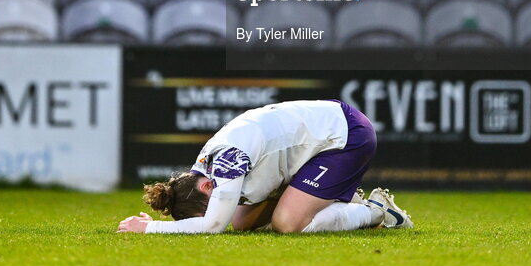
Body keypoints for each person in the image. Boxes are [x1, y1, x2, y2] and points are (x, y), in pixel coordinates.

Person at [116, 99, 413, 234]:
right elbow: (221, 219)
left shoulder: (227, 161)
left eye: (215, 202)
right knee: (243, 223)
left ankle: (377, 211)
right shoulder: (205, 168)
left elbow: (213, 225)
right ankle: (334, 198)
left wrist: (149, 228)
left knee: (287, 224)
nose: (224, 204)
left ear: (207, 186)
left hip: (346, 135)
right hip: (310, 148)